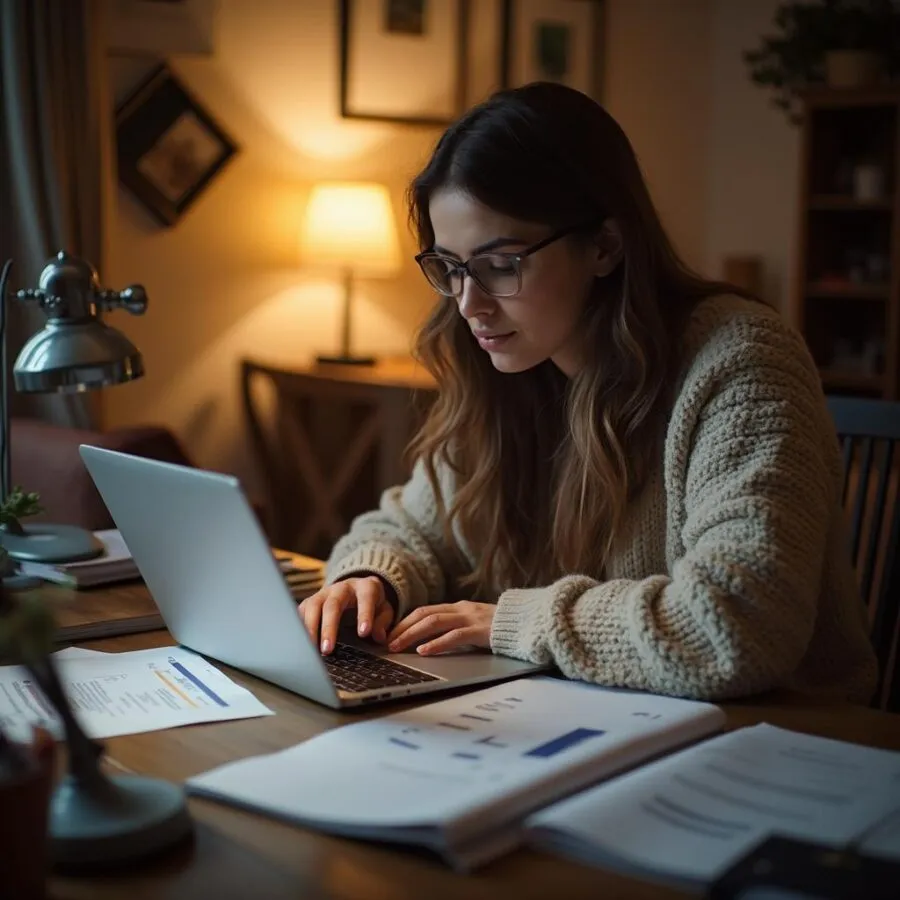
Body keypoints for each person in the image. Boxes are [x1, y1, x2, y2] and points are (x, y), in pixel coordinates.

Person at [299, 82, 877, 703]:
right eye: (451, 267)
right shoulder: (513, 371)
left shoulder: (742, 362)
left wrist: (514, 622)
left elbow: (737, 624)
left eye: (501, 264)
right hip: (588, 718)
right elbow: (408, 526)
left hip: (781, 742)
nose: (470, 304)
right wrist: (370, 581)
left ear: (604, 245)